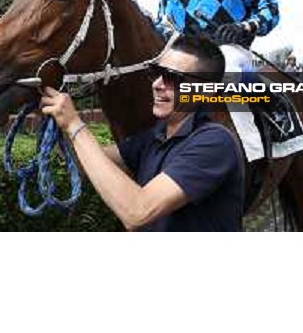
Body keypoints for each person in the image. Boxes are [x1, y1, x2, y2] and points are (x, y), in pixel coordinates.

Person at [40, 35, 245, 232]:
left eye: (172, 78)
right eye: (156, 73)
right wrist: (56, 119)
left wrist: (76, 125)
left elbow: (137, 212)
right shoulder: (155, 137)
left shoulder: (215, 143)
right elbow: (83, 162)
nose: (157, 84)